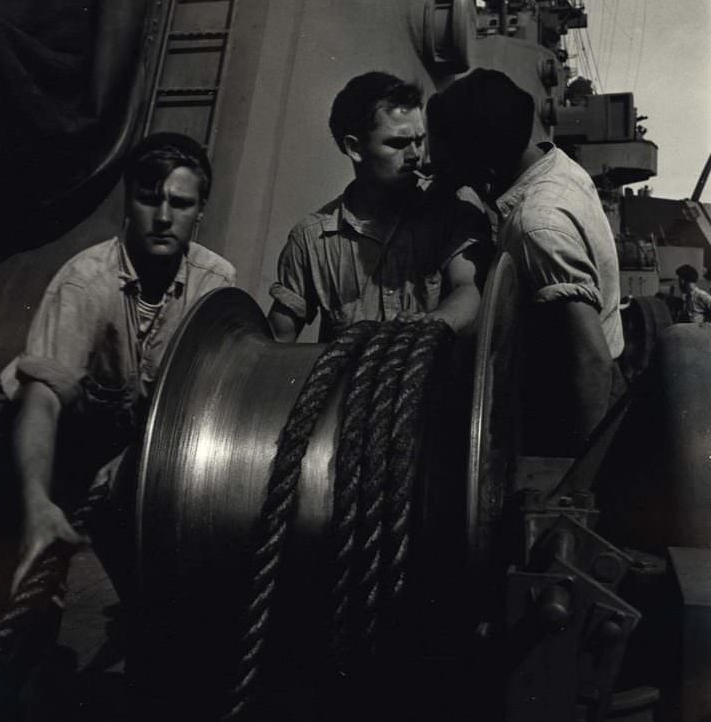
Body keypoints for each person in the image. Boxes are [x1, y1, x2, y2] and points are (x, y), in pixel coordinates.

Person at [0, 132, 236, 635]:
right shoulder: (84, 282)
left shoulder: (216, 286)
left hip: (141, 455)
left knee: (162, 600)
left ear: (200, 211)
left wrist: (133, 458)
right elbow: (41, 401)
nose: (163, 217)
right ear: (128, 200)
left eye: (180, 203)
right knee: (22, 602)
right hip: (54, 451)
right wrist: (37, 505)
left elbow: (203, 410)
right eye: (149, 199)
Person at [427, 68, 624, 457]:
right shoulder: (557, 166)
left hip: (570, 414)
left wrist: (576, 484)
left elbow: (591, 362)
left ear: (484, 167)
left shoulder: (536, 225)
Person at [267, 71, 489, 343]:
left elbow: (468, 288)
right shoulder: (310, 242)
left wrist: (428, 330)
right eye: (398, 143)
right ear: (355, 148)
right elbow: (276, 345)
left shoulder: (454, 207)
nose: (415, 156)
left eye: (419, 140)